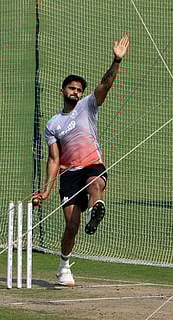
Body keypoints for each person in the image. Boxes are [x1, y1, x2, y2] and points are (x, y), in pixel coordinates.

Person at [32, 34, 130, 286]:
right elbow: (54, 160)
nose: (75, 92)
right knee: (71, 225)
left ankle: (95, 210)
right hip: (69, 175)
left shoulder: (88, 105)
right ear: (62, 91)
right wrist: (46, 191)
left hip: (92, 165)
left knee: (97, 182)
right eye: (71, 88)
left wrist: (116, 61)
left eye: (78, 89)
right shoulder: (53, 124)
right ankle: (64, 265)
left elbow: (105, 84)